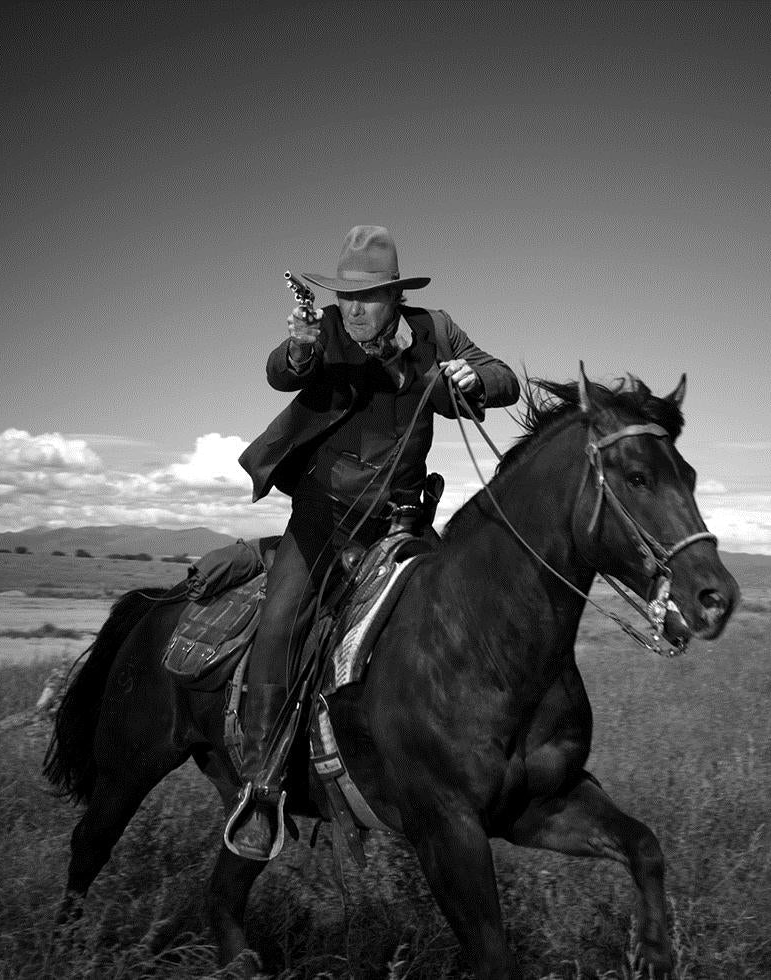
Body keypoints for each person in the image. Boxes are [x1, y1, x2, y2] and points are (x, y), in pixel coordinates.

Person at [223, 225, 518, 861]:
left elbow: (502, 378)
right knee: (279, 627)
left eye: (367, 297)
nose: (353, 308)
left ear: (393, 295)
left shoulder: (435, 330)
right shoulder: (323, 331)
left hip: (405, 522)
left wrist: (476, 379)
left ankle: (463, 768)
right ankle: (262, 785)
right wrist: (299, 350)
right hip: (323, 519)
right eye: (345, 296)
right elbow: (282, 368)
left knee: (463, 625)